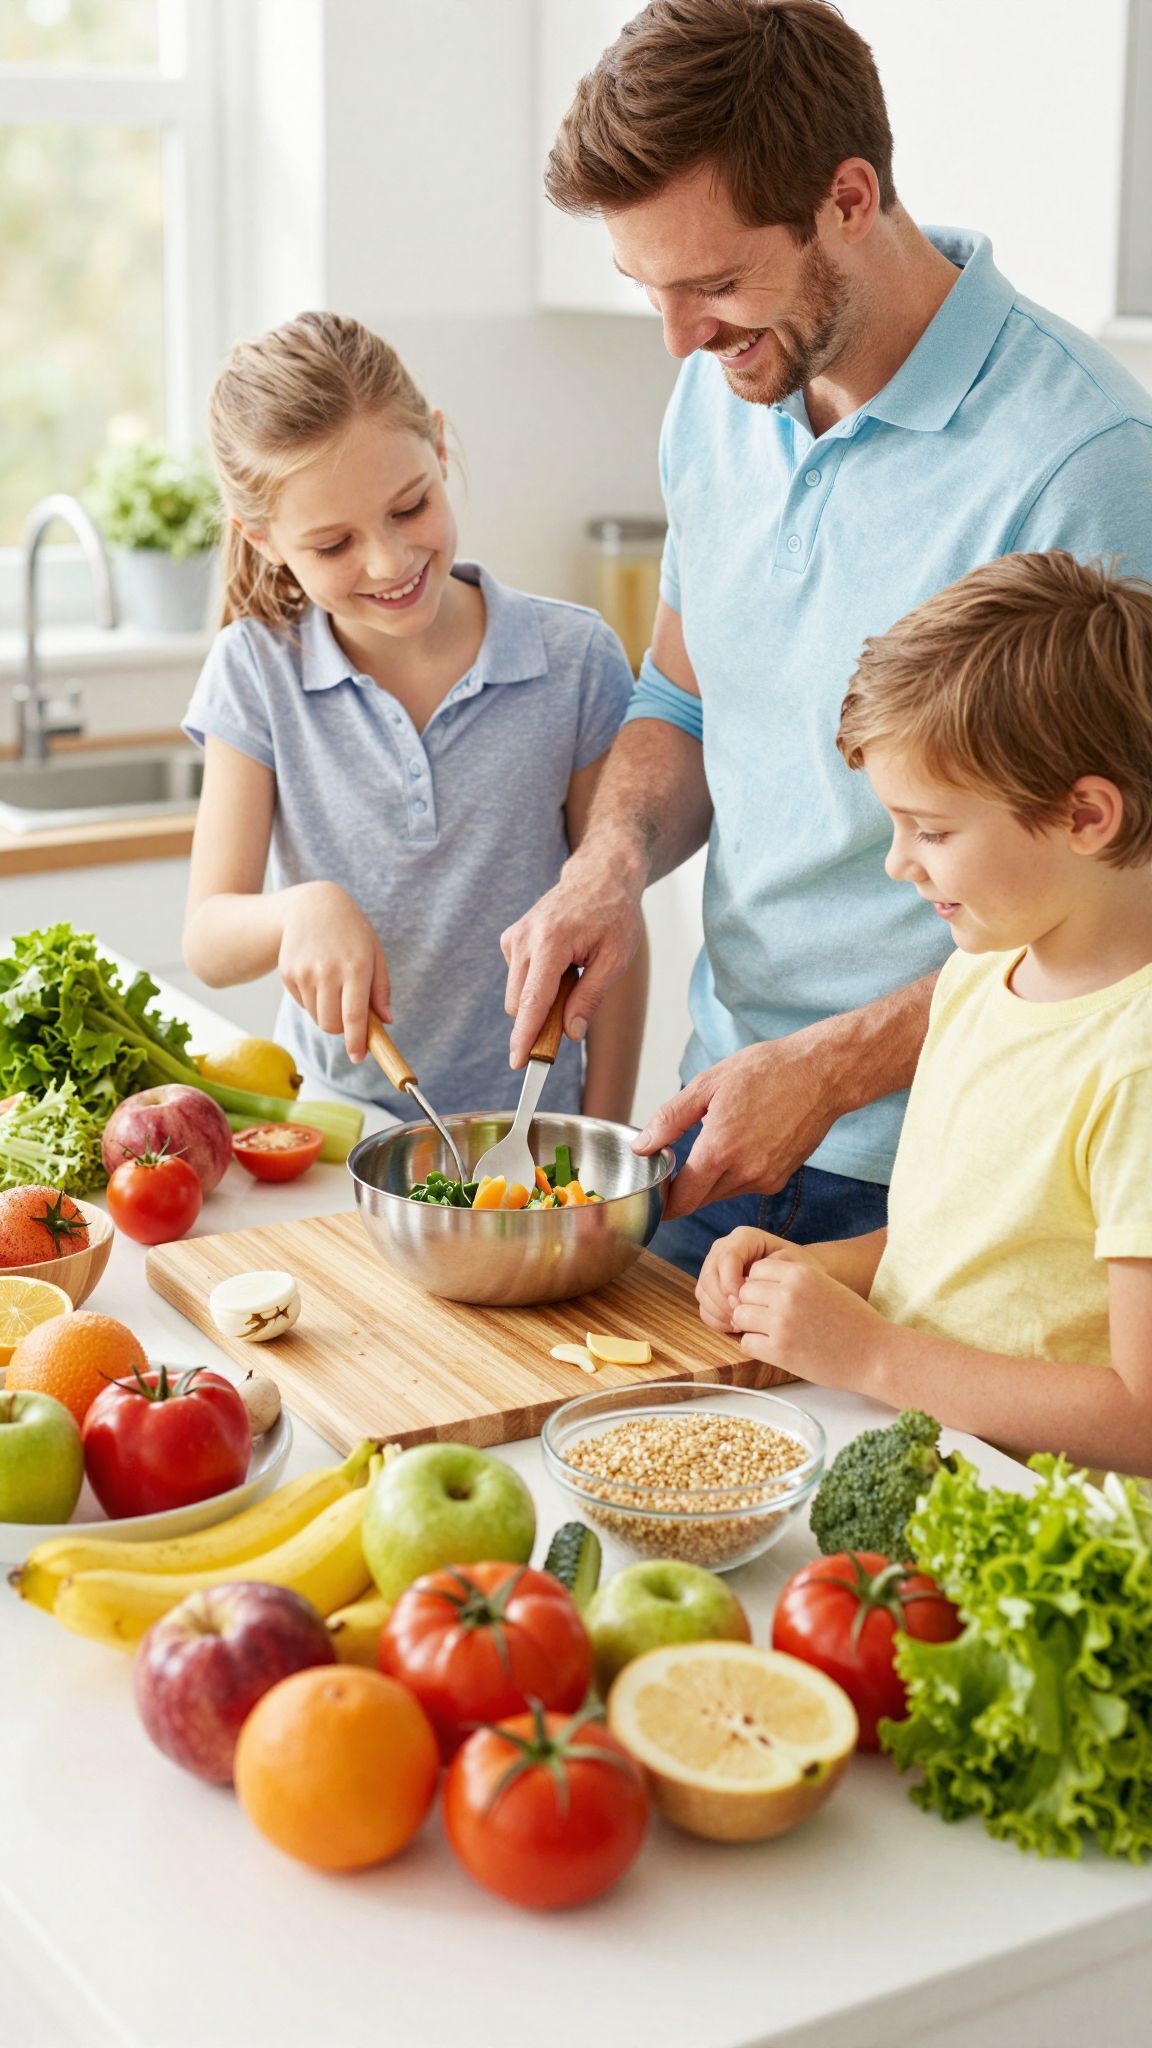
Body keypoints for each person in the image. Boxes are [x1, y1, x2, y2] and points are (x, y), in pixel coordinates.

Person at [500, 0, 1152, 1275]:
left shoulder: (1082, 463)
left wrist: (834, 1068)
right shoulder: (718, 392)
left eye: (715, 283)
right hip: (724, 1121)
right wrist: (610, 865)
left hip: (960, 1173)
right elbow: (685, 700)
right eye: (650, 289)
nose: (681, 337)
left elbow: (1132, 875)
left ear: (850, 196)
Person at [697, 552, 1152, 1476]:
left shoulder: (1136, 1064)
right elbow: (955, 1251)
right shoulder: (979, 979)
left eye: (934, 831)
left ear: (1086, 816)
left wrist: (865, 1354)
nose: (900, 863)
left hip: (1039, 1532)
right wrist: (820, 1274)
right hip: (923, 1464)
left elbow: (1142, 1417)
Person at [182, 311, 647, 1123]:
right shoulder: (256, 671)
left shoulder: (573, 660)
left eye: (409, 506)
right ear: (262, 540)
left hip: (535, 1127)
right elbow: (209, 941)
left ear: (437, 446)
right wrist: (300, 907)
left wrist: (601, 1137)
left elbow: (610, 925)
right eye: (333, 545)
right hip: (339, 1126)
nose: (389, 561)